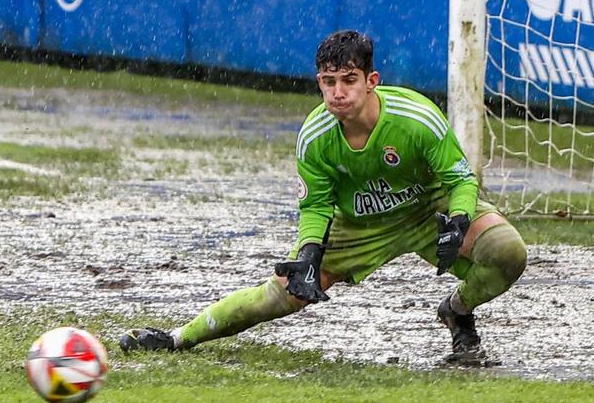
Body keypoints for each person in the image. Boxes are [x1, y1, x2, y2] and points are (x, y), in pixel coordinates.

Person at [119, 30, 527, 363]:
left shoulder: (416, 119)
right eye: (328, 82)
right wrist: (309, 253)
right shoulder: (314, 138)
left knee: (508, 253)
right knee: (280, 295)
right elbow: (315, 205)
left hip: (429, 210)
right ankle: (177, 339)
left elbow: (460, 179)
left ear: (372, 81)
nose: (337, 93)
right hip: (360, 227)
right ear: (319, 84)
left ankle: (456, 311)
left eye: (349, 80)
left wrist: (457, 221)